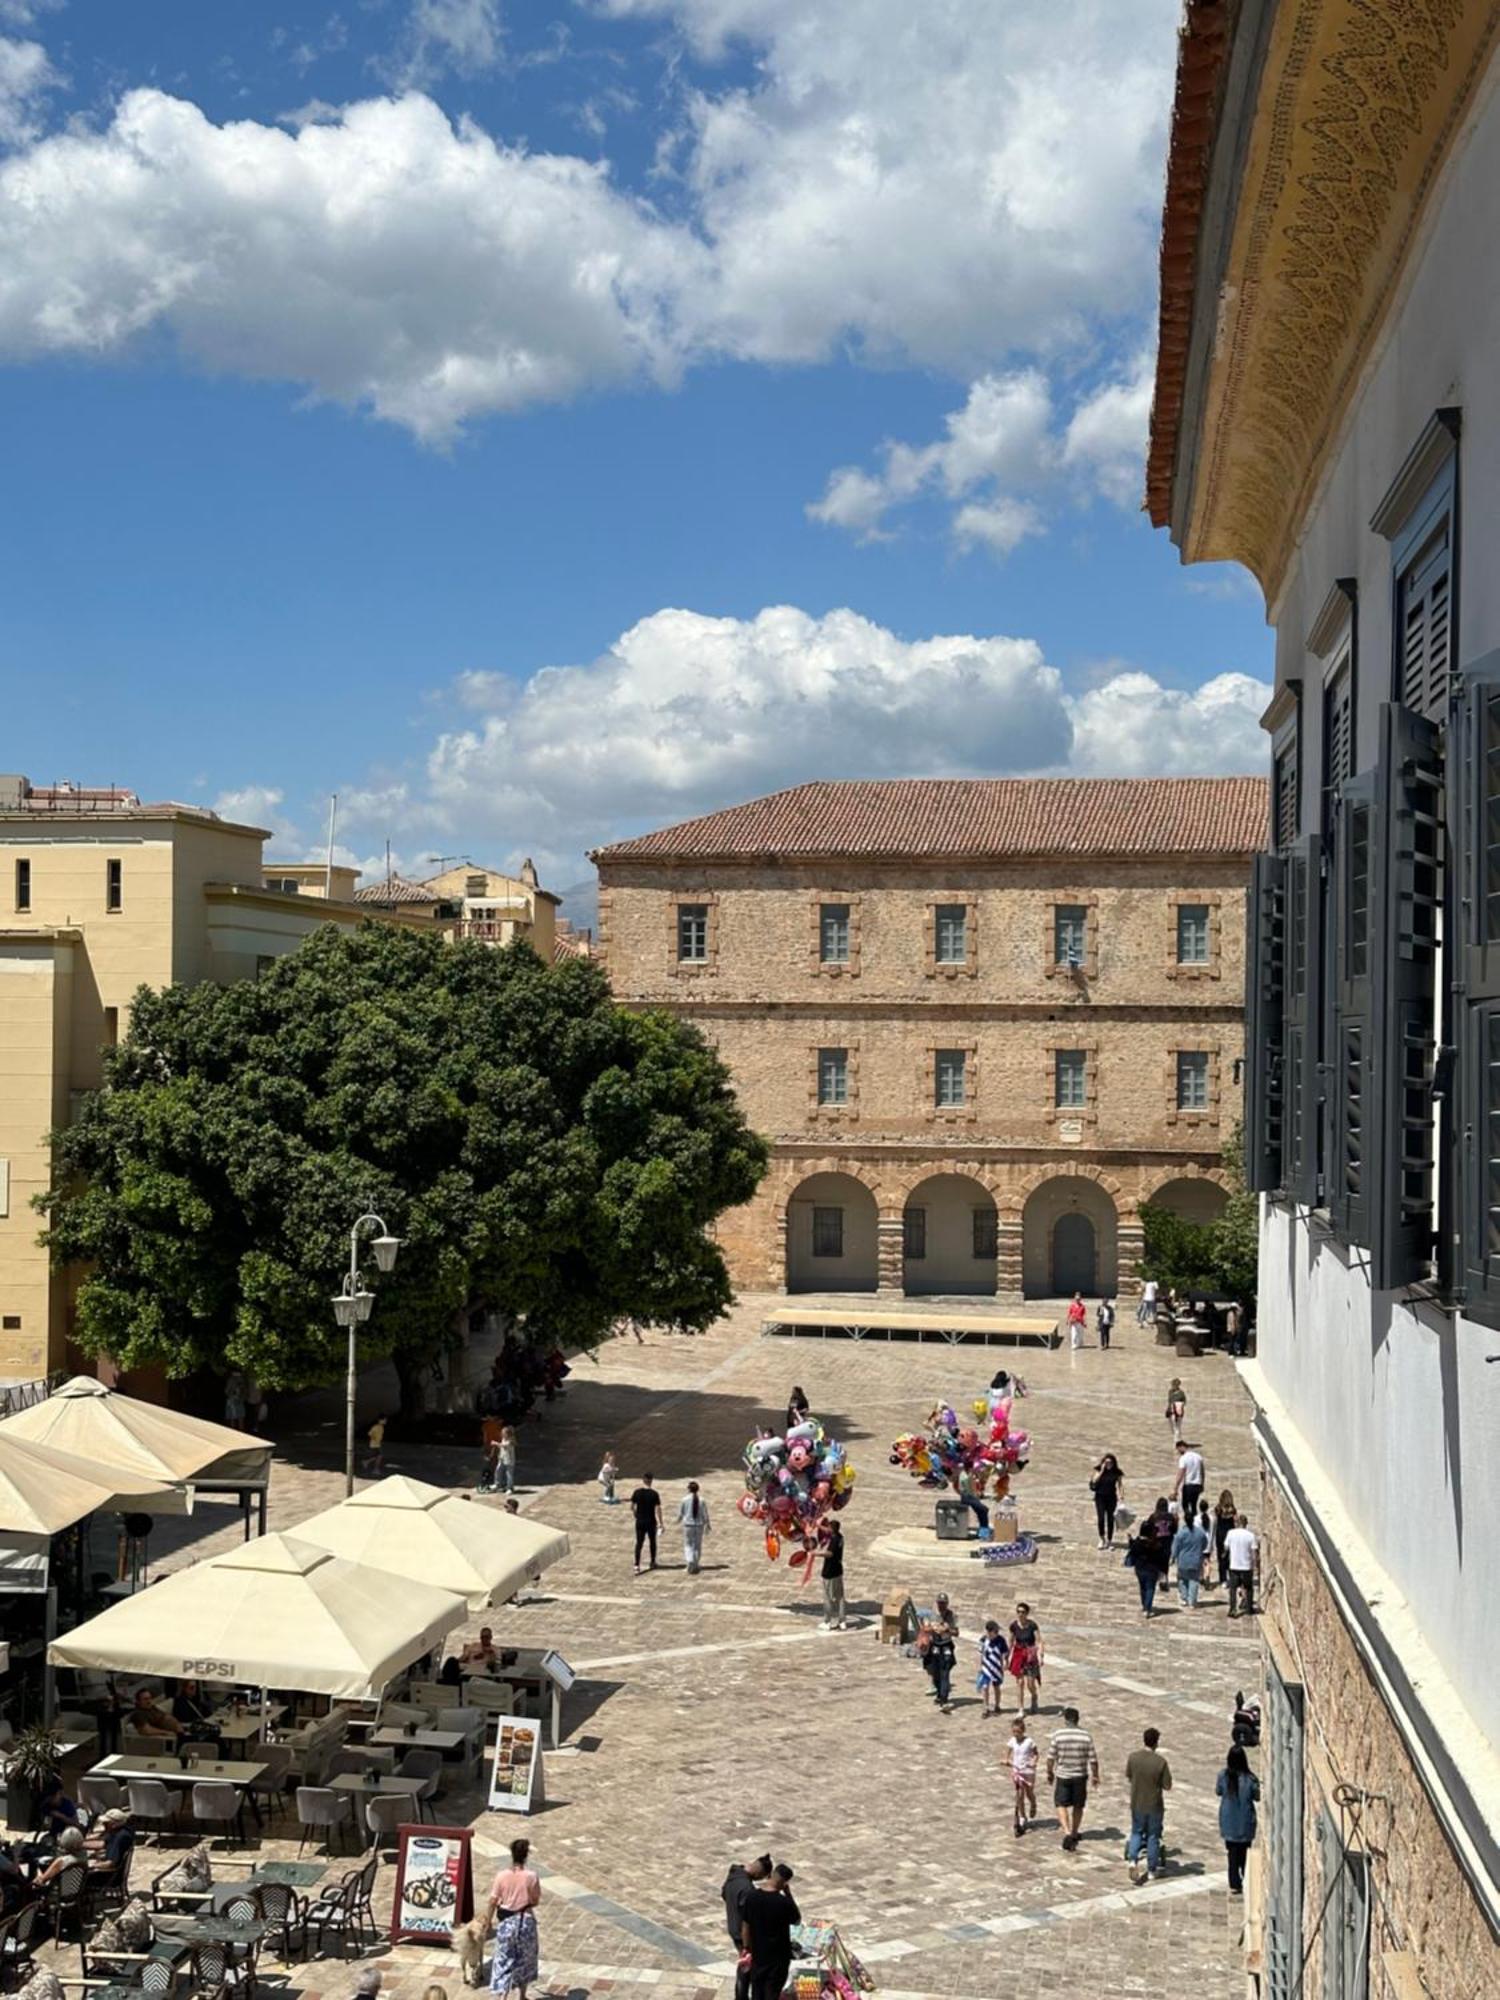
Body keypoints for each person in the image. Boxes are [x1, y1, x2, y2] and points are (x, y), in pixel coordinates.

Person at [741, 1864, 800, 2000]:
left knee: (757, 1992)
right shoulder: (783, 1902)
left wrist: (746, 1948)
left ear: (771, 1875)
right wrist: (788, 1894)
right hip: (778, 1959)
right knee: (772, 1993)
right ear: (784, 1883)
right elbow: (796, 1920)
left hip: (758, 1955)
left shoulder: (752, 1897)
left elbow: (745, 1925)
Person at [1047, 1707, 1099, 1851]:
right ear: (1077, 1719)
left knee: (1060, 1803)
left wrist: (1049, 1773)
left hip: (1063, 1775)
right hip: (1080, 1775)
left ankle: (1067, 1831)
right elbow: (1093, 1759)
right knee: (1078, 1805)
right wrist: (1095, 1775)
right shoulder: (1086, 1736)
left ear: (1066, 1720)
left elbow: (1050, 1757)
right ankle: (1075, 1831)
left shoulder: (1058, 1735)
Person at [1124, 1728, 1172, 1882]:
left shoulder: (1133, 1758)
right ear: (1156, 1742)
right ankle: (1151, 1870)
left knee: (1136, 1832)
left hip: (1137, 1802)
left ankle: (1132, 1860)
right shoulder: (1160, 1762)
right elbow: (1167, 1785)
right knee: (1153, 1836)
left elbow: (1129, 1776)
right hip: (1154, 1805)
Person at [721, 1855, 771, 2000]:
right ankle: (742, 1996)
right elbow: (748, 1920)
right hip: (743, 1934)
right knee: (747, 1967)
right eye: (760, 1877)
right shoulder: (747, 1889)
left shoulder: (733, 1875)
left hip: (733, 1927)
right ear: (759, 1873)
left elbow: (724, 1894)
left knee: (745, 1965)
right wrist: (748, 1945)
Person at [1217, 1744, 1260, 1895]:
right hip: (1245, 1821)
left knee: (1232, 1853)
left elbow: (1218, 1791)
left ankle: (1235, 1882)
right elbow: (1257, 1796)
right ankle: (1245, 1878)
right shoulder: (1250, 1779)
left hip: (1229, 1821)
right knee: (1244, 1852)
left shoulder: (1223, 1776)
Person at [1127, 1505, 1172, 1618]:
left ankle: (1145, 1605)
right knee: (1150, 1588)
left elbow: (1134, 1550)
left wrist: (1130, 1541)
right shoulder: (1155, 1544)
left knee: (1142, 1587)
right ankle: (1147, 1608)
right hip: (1152, 1570)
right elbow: (1161, 1556)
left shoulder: (1138, 1542)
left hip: (1140, 1569)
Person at [1008, 1602, 1043, 1712]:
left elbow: (1039, 1641)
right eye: (1018, 1612)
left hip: (1030, 1655)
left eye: (1023, 1612)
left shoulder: (1032, 1625)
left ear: (1027, 1613)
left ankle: (1034, 1696)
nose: (1020, 1614)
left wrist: (1041, 1655)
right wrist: (1006, 1657)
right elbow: (1011, 1641)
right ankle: (1021, 1708)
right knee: (1020, 1682)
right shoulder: (1014, 1626)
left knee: (1030, 1683)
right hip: (1018, 1655)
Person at [1171, 1509, 1209, 1610]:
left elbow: (1176, 1547)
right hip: (1196, 1560)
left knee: (1182, 1579)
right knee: (1194, 1580)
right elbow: (1205, 1544)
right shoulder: (1200, 1533)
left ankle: (1184, 1597)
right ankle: (1192, 1600)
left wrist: (1173, 1557)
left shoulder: (1181, 1533)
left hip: (1183, 1560)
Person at [1008, 1716, 1038, 1835]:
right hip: (1017, 1770)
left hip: (1028, 1771)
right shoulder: (1012, 1741)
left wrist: (1034, 1761)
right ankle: (1022, 1816)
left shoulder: (1029, 1742)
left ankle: (1033, 1804)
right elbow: (1008, 1753)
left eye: (1018, 1732)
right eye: (1014, 1732)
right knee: (1019, 1794)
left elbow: (1036, 1754)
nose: (1016, 1734)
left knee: (1029, 1793)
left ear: (1023, 1731)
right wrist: (1006, 1760)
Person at [920, 1613, 956, 1711]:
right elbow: (925, 1629)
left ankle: (944, 1700)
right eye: (940, 1603)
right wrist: (932, 1629)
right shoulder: (932, 1615)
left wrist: (947, 1630)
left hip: (946, 1647)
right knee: (935, 1673)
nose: (941, 1606)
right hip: (935, 1647)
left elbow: (956, 1632)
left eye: (943, 1603)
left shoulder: (950, 1617)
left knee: (945, 1673)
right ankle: (940, 1694)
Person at [1226, 1514, 1259, 1618]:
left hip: (1234, 1565)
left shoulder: (1231, 1533)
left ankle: (1232, 1609)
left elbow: (1226, 1547)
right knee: (1248, 1588)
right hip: (1246, 1566)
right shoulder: (1251, 1535)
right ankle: (1249, 1608)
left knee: (1233, 1589)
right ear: (1246, 1524)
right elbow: (1254, 1553)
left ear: (1237, 1523)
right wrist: (1256, 1565)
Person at [1089, 1454, 1123, 1550]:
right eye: (1106, 1462)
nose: (1108, 1464)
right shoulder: (1098, 1469)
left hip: (1111, 1497)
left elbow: (1120, 1484)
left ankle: (1109, 1540)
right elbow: (1094, 1481)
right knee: (1101, 1518)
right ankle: (1102, 1538)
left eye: (1110, 1462)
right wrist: (1102, 1471)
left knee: (1110, 1519)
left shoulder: (1117, 1472)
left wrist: (1121, 1495)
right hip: (1100, 1497)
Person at [630, 1474, 662, 1573]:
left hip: (640, 1521)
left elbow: (632, 1507)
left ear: (643, 1480)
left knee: (639, 1543)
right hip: (651, 1521)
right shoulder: (654, 1494)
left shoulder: (637, 1492)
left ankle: (636, 1565)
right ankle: (652, 1561)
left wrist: (636, 1515)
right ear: (651, 1481)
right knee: (652, 1542)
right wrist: (661, 1522)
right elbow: (658, 1509)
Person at [678, 1481, 710, 1573]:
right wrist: (707, 1524)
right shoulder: (702, 1500)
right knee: (697, 1545)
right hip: (699, 1525)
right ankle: (695, 1563)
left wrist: (678, 1520)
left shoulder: (684, 1499)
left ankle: (690, 1561)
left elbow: (681, 1513)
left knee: (688, 1544)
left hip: (688, 1525)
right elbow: (705, 1514)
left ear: (689, 1489)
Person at [819, 1521, 846, 1630]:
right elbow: (826, 1530)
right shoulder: (840, 1537)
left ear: (832, 1529)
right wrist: (817, 1526)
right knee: (840, 1597)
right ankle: (842, 1620)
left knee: (828, 1597)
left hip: (829, 1572)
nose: (827, 1529)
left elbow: (830, 1554)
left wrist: (817, 1554)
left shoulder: (834, 1540)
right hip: (838, 1570)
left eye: (828, 1528)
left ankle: (827, 1621)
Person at [978, 1621, 1008, 1716]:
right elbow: (981, 1654)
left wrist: (1005, 1663)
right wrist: (980, 1667)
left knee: (996, 1687)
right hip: (986, 1667)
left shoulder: (1001, 1640)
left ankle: (997, 1705)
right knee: (985, 1686)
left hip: (996, 1667)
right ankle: (985, 1707)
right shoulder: (983, 1640)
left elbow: (1004, 1652)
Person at [1172, 1439, 1205, 1519]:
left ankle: (1189, 1522)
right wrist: (1202, 1484)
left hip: (1188, 1485)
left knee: (1185, 1505)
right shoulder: (1198, 1457)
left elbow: (1181, 1473)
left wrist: (1176, 1487)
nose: (1179, 1452)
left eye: (1178, 1449)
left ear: (1181, 1447)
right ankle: (1195, 1521)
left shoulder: (1184, 1458)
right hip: (1197, 1485)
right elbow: (1202, 1472)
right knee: (1194, 1505)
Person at [955, 1464, 989, 1536]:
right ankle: (984, 1532)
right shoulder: (966, 1476)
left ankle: (983, 1532)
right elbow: (970, 1488)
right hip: (967, 1497)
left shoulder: (966, 1474)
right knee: (984, 1510)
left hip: (969, 1497)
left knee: (981, 1511)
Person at [1213, 1490, 1238, 1587]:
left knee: (1221, 1557)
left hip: (1220, 1534)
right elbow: (1236, 1521)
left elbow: (1215, 1521)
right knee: (1231, 1556)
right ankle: (1231, 1576)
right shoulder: (1233, 1510)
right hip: (1230, 1534)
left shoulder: (1218, 1509)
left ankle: (1222, 1578)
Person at [495, 1426, 517, 1495]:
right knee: (498, 1471)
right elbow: (502, 1449)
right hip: (502, 1459)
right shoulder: (503, 1439)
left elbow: (504, 1446)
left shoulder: (511, 1440)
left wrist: (496, 1443)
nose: (502, 1434)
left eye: (503, 1433)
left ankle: (510, 1488)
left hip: (509, 1460)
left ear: (507, 1434)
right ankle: (498, 1485)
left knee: (509, 1474)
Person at [1164, 1378, 1187, 1444]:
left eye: (1174, 1384)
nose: (1173, 1386)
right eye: (1173, 1384)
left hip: (1178, 1412)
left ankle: (1176, 1442)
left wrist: (1179, 1405)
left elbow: (1184, 1402)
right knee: (1172, 1427)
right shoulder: (1170, 1391)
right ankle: (1179, 1439)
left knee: (1177, 1427)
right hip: (1170, 1411)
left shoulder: (1181, 1393)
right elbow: (1169, 1401)